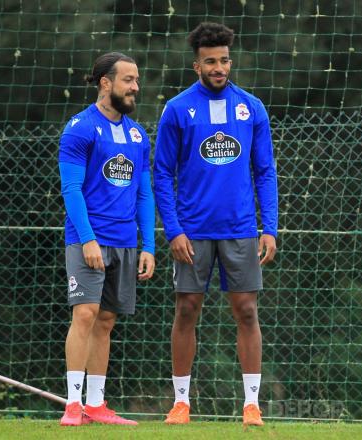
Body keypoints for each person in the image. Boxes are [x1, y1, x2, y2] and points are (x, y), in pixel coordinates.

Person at [153, 22, 278, 426]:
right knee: (187, 309)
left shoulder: (252, 108)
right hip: (192, 231)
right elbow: (161, 174)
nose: (219, 67)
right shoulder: (177, 109)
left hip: (241, 230)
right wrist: (173, 230)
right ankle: (181, 403)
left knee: (246, 311)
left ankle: (252, 405)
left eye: (224, 60)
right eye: (211, 61)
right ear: (196, 66)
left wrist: (270, 227)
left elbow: (265, 172)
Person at [58, 52, 156, 426]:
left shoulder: (137, 134)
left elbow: (144, 194)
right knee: (85, 313)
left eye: (136, 80)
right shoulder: (80, 127)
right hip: (88, 239)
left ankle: (97, 406)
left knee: (107, 320)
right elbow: (71, 189)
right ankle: (72, 405)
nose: (135, 87)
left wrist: (147, 244)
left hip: (126, 242)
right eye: (128, 80)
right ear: (105, 83)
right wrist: (87, 239)